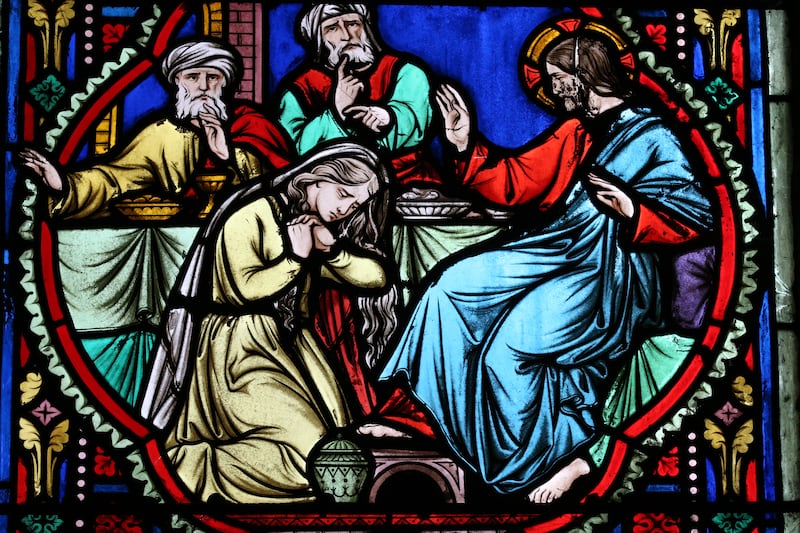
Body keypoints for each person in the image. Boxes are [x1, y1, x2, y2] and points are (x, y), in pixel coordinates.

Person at [374, 33, 715, 504]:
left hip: (613, 268)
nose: (554, 92)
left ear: (585, 75)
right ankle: (428, 418)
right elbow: (515, 182)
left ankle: (560, 458)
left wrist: (632, 211)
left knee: (508, 349)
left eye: (559, 80)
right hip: (554, 248)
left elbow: (699, 213)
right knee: (446, 288)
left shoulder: (651, 135)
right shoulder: (576, 131)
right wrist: (463, 143)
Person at [139, 142, 397, 503]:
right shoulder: (251, 215)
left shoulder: (312, 226)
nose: (344, 208)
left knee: (339, 450)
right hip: (238, 349)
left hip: (293, 345)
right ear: (314, 178)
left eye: (354, 204)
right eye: (342, 194)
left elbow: (376, 279)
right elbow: (243, 290)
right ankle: (189, 467)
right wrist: (296, 257)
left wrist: (333, 251)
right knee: (310, 457)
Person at [18, 39, 294, 220]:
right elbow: (115, 179)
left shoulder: (251, 123)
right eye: (193, 77)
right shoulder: (160, 134)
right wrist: (64, 185)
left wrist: (229, 155)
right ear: (177, 82)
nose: (203, 86)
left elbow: (286, 182)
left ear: (225, 83)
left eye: (213, 77)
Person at [277, 3, 441, 188]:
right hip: (330, 197)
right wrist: (337, 112)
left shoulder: (406, 71)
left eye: (353, 23)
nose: (347, 36)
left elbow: (413, 119)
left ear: (366, 27)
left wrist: (386, 119)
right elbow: (294, 151)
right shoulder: (299, 90)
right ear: (318, 39)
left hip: (410, 186)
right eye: (332, 28)